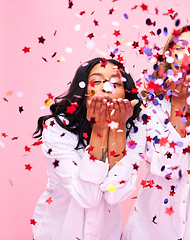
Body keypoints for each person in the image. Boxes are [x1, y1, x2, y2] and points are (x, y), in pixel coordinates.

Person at [121, 25, 190, 240]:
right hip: (149, 228)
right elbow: (165, 166)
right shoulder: (148, 107)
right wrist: (179, 104)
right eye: (180, 48)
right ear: (167, 62)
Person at [31, 57, 143, 239]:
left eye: (116, 82)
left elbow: (115, 195)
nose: (107, 88)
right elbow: (86, 197)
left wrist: (119, 129)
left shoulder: (135, 131)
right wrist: (99, 130)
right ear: (83, 91)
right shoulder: (56, 128)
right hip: (58, 232)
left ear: (126, 94)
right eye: (97, 81)